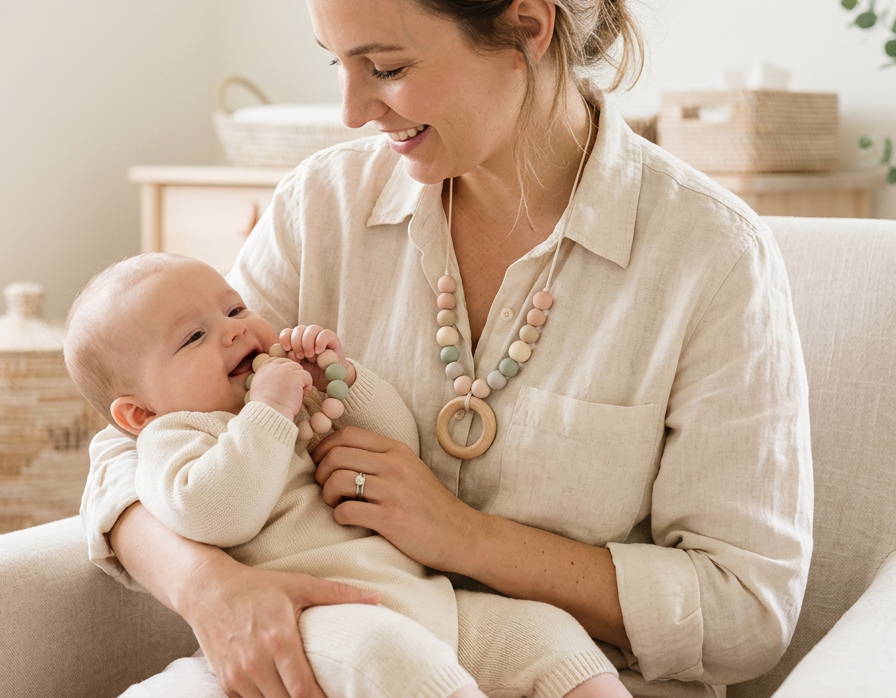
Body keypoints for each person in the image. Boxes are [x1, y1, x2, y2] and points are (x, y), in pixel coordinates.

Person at [82, 0, 814, 696]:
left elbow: (746, 612)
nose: (353, 110)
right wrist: (211, 591)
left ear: (528, 29)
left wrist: (464, 537)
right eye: (337, 63)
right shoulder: (323, 207)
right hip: (336, 659)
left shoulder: (711, 256)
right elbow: (135, 437)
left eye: (387, 68)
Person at [65, 253, 628, 698]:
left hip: (426, 600)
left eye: (235, 311)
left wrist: (343, 377)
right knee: (395, 658)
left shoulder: (285, 398)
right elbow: (218, 512)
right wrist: (268, 412)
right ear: (139, 414)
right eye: (193, 337)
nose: (234, 333)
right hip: (322, 621)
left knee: (546, 633)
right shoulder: (180, 435)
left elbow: (397, 442)